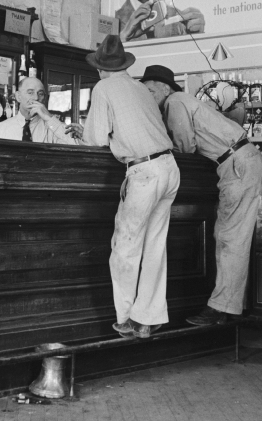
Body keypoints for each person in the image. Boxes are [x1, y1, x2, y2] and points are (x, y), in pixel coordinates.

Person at [140, 65, 262, 326]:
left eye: (150, 90)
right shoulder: (181, 101)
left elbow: (185, 146)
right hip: (239, 162)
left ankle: (221, 310)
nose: (148, 96)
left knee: (230, 239)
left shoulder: (174, 102)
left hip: (236, 164)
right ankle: (228, 307)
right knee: (229, 238)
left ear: (165, 88)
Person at [82, 35, 180, 339]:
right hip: (169, 168)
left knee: (125, 247)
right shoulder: (139, 87)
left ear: (100, 69)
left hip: (144, 172)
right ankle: (146, 318)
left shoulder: (103, 87)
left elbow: (95, 139)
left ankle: (124, 317)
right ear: (124, 65)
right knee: (154, 247)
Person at [0, 76, 82, 143]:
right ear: (18, 96)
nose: (36, 98)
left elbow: (77, 146)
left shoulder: (52, 130)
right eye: (30, 92)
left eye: (40, 94)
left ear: (44, 99)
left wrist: (49, 118)